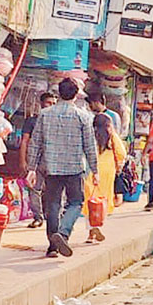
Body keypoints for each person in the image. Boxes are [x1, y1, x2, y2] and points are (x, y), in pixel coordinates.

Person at [25, 78, 98, 258]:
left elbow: (35, 142)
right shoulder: (83, 116)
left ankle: (53, 247)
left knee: (53, 205)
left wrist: (31, 168)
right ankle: (63, 233)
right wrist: (95, 170)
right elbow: (89, 145)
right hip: (74, 168)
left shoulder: (45, 114)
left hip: (51, 168)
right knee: (75, 202)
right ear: (75, 95)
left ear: (59, 93)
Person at [83, 113, 126, 244]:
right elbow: (121, 153)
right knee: (102, 201)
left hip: (91, 170)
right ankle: (97, 226)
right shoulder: (112, 136)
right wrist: (119, 165)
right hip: (107, 170)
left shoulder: (89, 135)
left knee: (89, 201)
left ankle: (91, 232)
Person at [19, 92, 57, 228]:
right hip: (36, 161)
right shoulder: (32, 121)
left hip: (54, 160)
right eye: (48, 103)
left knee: (54, 190)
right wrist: (23, 161)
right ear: (41, 104)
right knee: (34, 188)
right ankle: (38, 217)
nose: (51, 106)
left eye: (53, 103)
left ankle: (53, 217)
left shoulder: (58, 121)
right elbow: (24, 141)